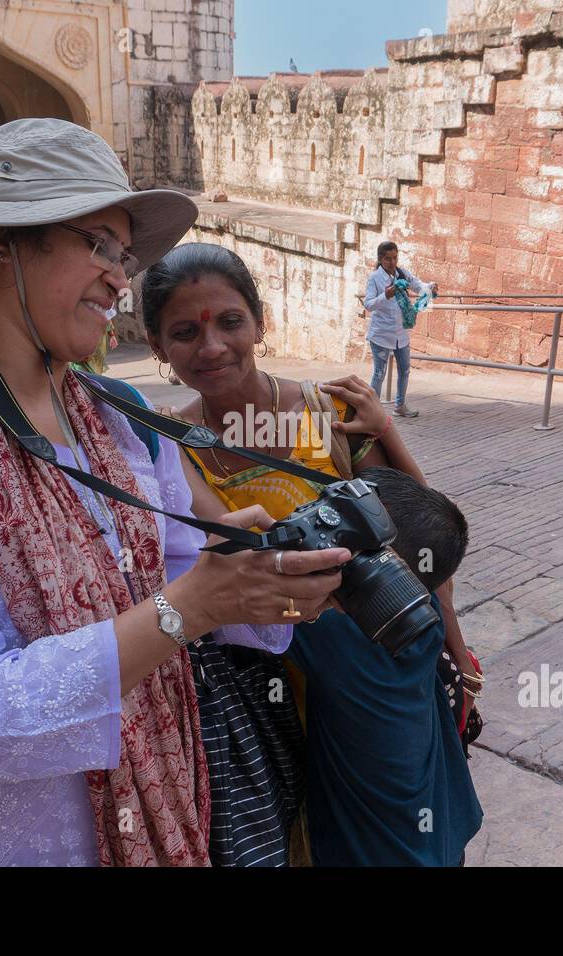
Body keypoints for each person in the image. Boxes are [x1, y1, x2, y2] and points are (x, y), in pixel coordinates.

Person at [0, 119, 348, 867]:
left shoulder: (115, 414)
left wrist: (259, 588)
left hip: (175, 811)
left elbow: (177, 581)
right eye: (99, 244)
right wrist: (191, 605)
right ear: (1, 239)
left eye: (123, 255)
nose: (118, 278)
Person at [141, 242, 482, 862]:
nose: (212, 346)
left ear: (260, 321)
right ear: (159, 348)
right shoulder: (171, 451)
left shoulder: (329, 415)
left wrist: (456, 657)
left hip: (361, 682)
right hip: (257, 701)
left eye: (229, 321)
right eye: (185, 332)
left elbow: (421, 541)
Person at [286, 465, 483, 866]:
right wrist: (385, 430)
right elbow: (437, 537)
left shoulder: (339, 637)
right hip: (443, 836)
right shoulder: (422, 611)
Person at [364, 240, 437, 418]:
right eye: (388, 259)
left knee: (404, 369)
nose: (392, 262)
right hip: (381, 333)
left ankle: (400, 405)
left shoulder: (401, 273)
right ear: (381, 259)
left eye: (395, 258)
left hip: (401, 333)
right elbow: (368, 304)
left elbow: (418, 285)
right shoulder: (374, 278)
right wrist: (386, 295)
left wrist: (430, 287)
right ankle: (373, 412)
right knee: (379, 373)